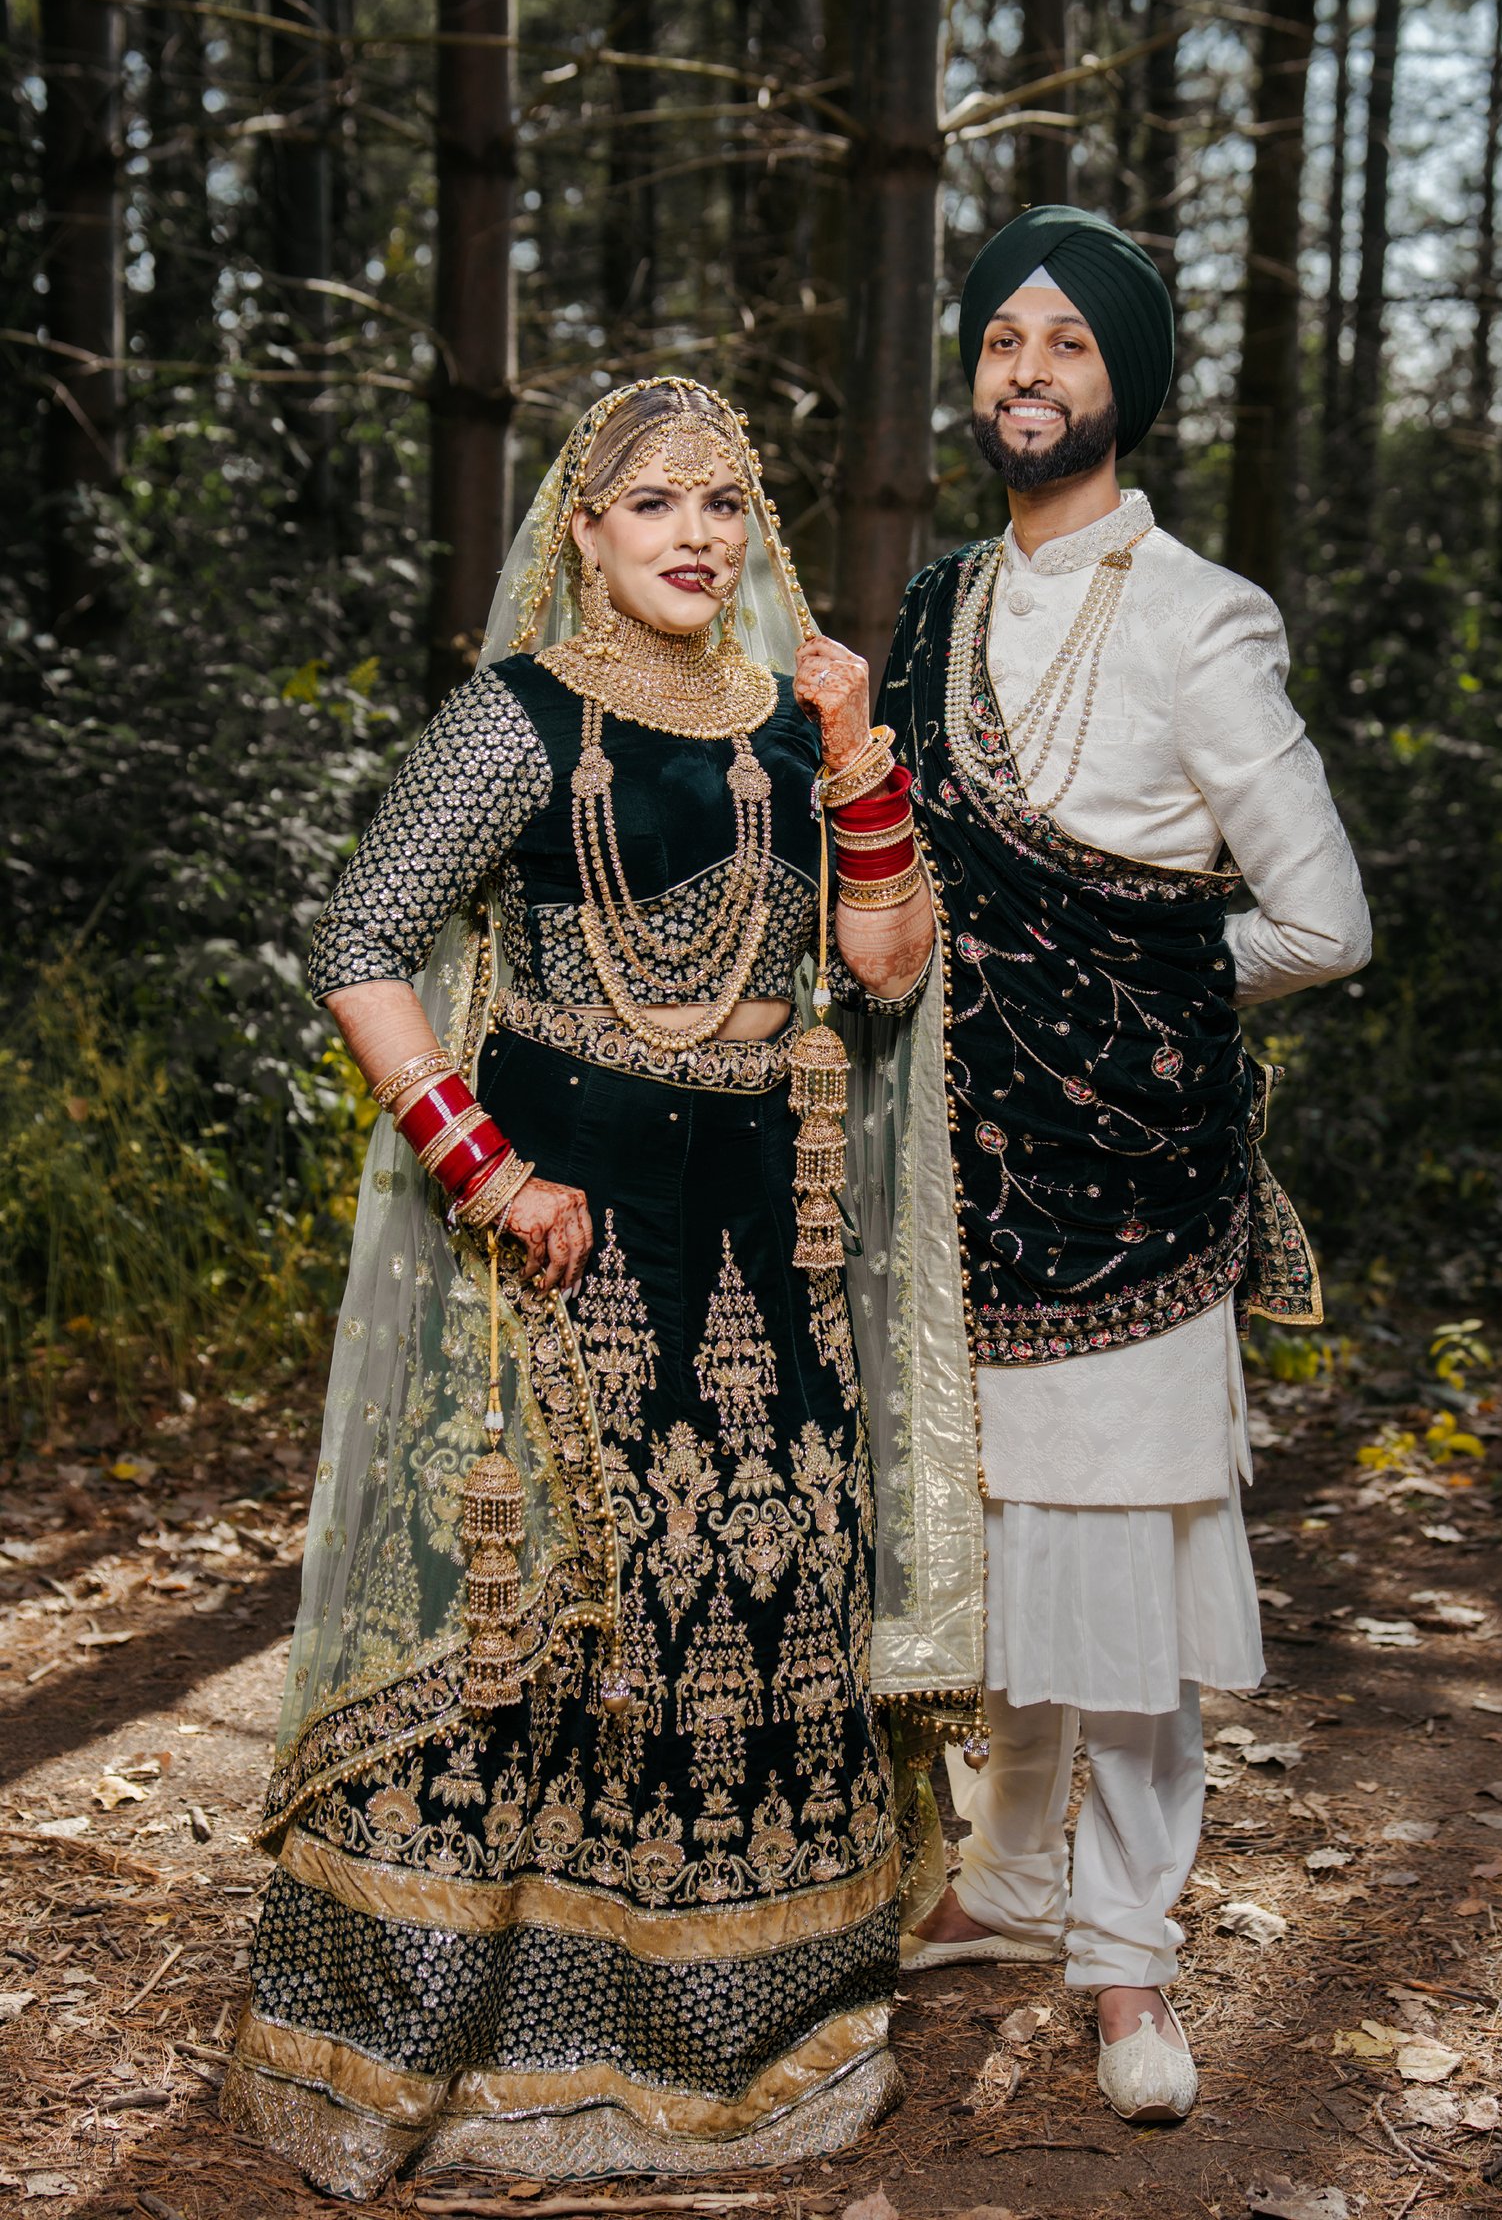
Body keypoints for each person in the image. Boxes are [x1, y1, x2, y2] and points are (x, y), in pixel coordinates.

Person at [222, 380, 935, 2194]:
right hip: (571, 1236)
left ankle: (729, 2027)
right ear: (584, 533)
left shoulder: (798, 722)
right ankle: (487, 2025)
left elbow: (885, 964)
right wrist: (485, 1165)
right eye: (650, 505)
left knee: (757, 1592)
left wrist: (861, 758)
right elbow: (362, 941)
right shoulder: (514, 721)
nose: (693, 533)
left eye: (721, 502)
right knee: (554, 1619)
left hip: (769, 1245)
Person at [878, 209, 1371, 2123]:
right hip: (953, 1172)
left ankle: (1130, 1959)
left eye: (1069, 343)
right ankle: (1007, 1877)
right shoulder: (927, 613)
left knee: (1124, 1565)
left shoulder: (1199, 613)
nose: (1026, 369)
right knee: (997, 1547)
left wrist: (1133, 1000)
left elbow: (1319, 921)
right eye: (1002, 336)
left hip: (1135, 1174)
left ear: (1126, 382)